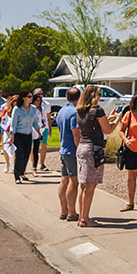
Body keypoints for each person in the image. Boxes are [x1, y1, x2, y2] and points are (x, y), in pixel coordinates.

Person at [73, 84, 116, 227]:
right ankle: (85, 219)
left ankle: (82, 217)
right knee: (90, 186)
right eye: (98, 94)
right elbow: (108, 129)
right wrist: (117, 120)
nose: (100, 97)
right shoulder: (97, 110)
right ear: (93, 96)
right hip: (93, 149)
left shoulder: (80, 111)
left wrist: (109, 118)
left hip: (82, 147)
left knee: (83, 185)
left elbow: (93, 125)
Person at [56, 86, 81, 221]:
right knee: (74, 181)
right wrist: (79, 148)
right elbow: (75, 133)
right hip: (72, 150)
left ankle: (63, 210)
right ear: (79, 98)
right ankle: (72, 212)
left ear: (66, 97)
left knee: (64, 180)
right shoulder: (74, 113)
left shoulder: (61, 111)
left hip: (63, 148)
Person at [10, 92, 38, 182]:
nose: (31, 98)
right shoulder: (17, 109)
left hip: (28, 134)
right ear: (23, 98)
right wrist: (12, 137)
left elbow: (35, 122)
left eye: (31, 97)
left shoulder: (33, 109)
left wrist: (39, 133)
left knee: (26, 154)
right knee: (19, 154)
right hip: (18, 135)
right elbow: (13, 124)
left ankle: (22, 172)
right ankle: (16, 176)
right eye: (29, 97)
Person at [34, 88, 52, 172]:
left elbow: (48, 117)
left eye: (41, 93)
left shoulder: (46, 104)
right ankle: (34, 163)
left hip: (44, 128)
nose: (40, 95)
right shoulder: (31, 105)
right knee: (33, 147)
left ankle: (42, 163)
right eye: (38, 94)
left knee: (43, 145)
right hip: (34, 128)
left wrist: (50, 129)